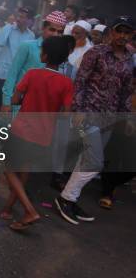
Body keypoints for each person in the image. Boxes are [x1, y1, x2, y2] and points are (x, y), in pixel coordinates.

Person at [55, 16, 134, 225]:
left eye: (127, 32)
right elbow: (80, 80)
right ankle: (66, 198)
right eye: (119, 31)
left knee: (86, 160)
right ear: (111, 33)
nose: (122, 36)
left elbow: (127, 91)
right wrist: (78, 108)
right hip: (88, 114)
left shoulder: (129, 59)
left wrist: (127, 118)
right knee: (95, 162)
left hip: (109, 119)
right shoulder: (96, 53)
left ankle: (69, 198)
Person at [2, 36, 73, 231]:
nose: (40, 53)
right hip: (44, 136)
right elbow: (65, 115)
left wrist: (25, 98)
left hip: (22, 130)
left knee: (9, 169)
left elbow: (15, 99)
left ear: (46, 54)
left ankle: (29, 210)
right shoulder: (67, 83)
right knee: (24, 170)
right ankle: (8, 208)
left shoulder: (32, 74)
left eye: (42, 51)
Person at [0, 11, 67, 112]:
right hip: (19, 104)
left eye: (59, 32)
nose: (56, 34)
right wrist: (6, 102)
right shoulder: (27, 46)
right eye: (52, 30)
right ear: (43, 28)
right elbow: (12, 74)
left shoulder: (60, 54)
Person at [0, 7, 35, 86]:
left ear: (29, 21)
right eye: (18, 16)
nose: (18, 19)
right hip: (3, 73)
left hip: (17, 76)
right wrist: (9, 26)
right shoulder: (8, 28)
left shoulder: (31, 35)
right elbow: (0, 43)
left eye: (22, 17)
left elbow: (29, 56)